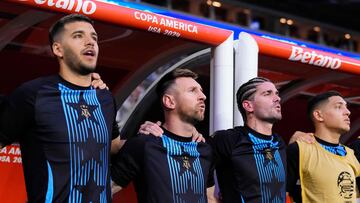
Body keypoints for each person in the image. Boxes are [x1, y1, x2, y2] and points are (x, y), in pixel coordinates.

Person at [0, 14, 119, 202]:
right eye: (79, 36)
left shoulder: (105, 97)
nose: (90, 42)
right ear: (58, 49)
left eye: (94, 38)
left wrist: (152, 139)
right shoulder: (33, 94)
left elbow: (112, 145)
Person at [111, 68, 217, 202]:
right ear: (169, 101)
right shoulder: (144, 144)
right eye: (192, 90)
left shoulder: (204, 149)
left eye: (201, 90)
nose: (203, 96)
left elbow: (210, 197)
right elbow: (103, 191)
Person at [208, 77, 287, 202]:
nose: (278, 98)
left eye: (277, 93)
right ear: (248, 106)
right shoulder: (228, 139)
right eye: (267, 93)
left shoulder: (279, 142)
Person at [287, 91, 360, 202]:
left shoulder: (351, 153)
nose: (348, 112)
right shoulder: (299, 150)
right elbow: (279, 193)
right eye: (338, 107)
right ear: (319, 115)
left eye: (346, 107)